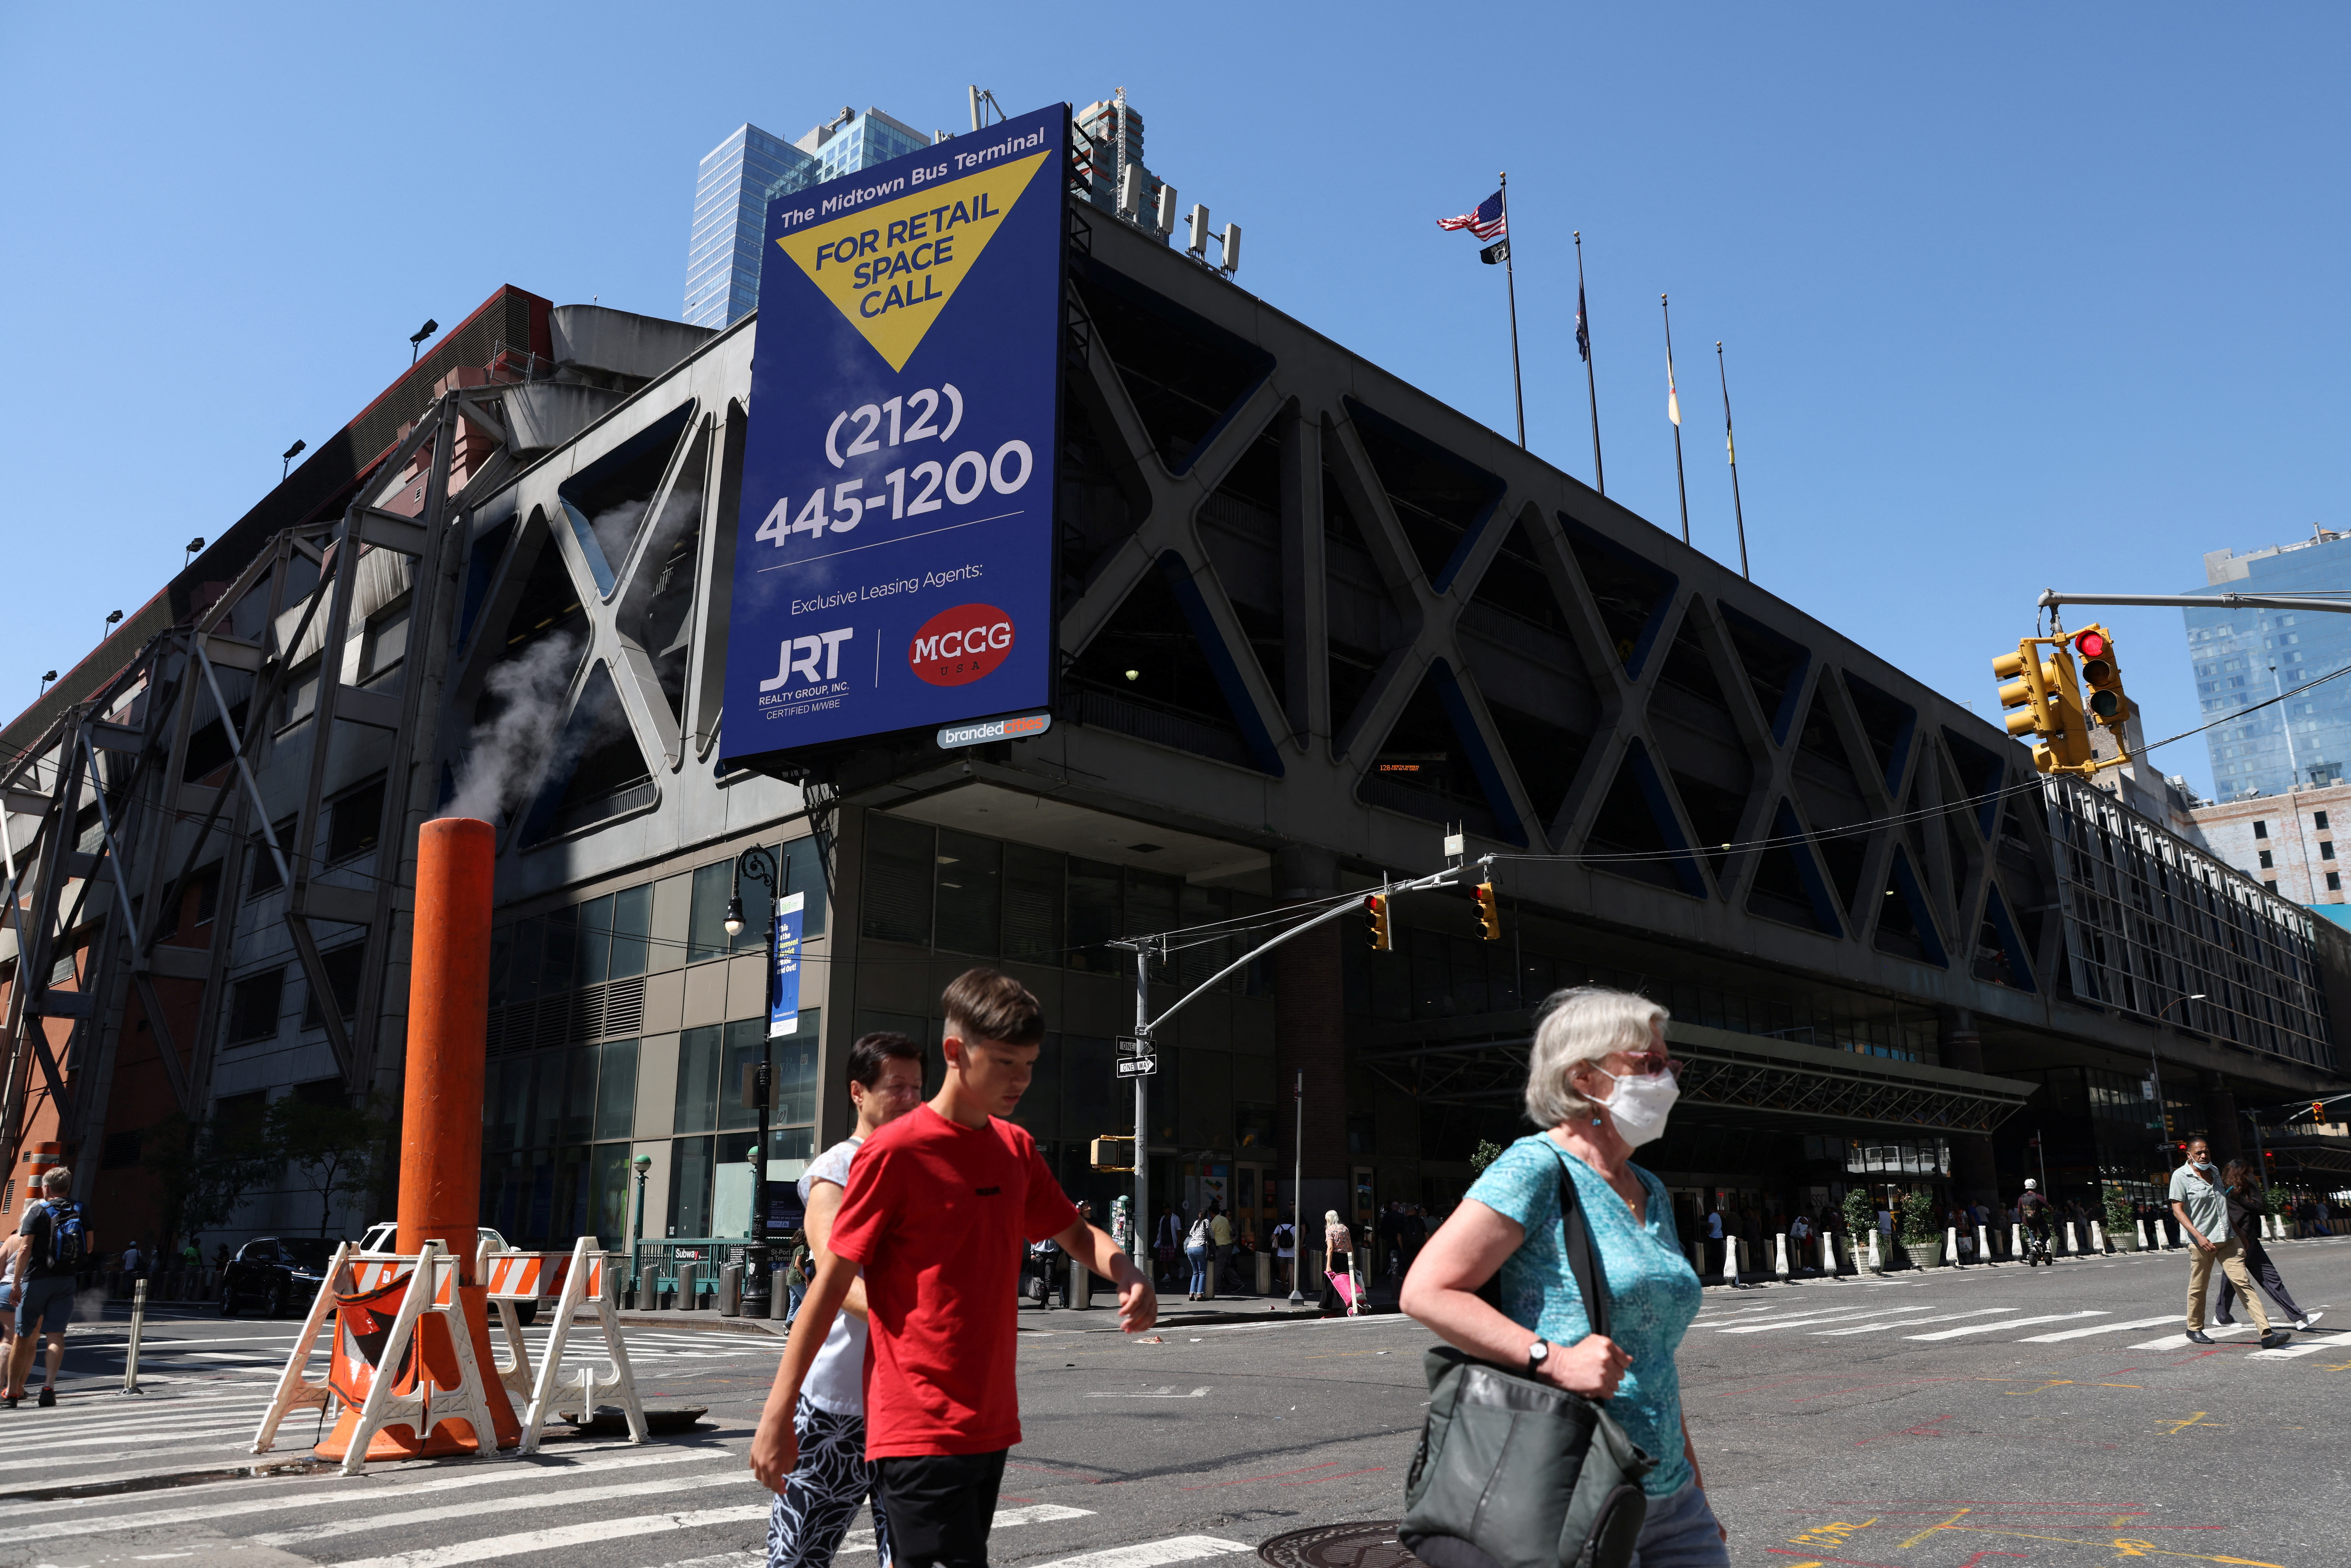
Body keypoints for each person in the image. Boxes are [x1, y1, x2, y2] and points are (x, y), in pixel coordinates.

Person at [748, 969, 1153, 1568]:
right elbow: (827, 1285)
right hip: (916, 1423)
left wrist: (1125, 1269)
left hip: (990, 1425)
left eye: (1031, 1063)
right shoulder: (895, 1152)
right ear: (955, 1052)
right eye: (1006, 1062)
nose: (1022, 1079)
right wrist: (777, 1416)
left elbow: (1070, 1230)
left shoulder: (1014, 1147)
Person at [1401, 987, 1727, 1566]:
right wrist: (1552, 1358)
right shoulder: (1535, 1167)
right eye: (1648, 1064)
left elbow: (1652, 1358)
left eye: (1669, 1064)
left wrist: (1695, 1487)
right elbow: (1426, 1290)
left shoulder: (1647, 1187)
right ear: (1584, 1078)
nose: (1667, 1080)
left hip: (1671, 1496)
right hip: (1577, 1490)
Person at [765, 1031, 925, 1568]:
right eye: (896, 1087)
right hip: (840, 1407)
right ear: (858, 1092)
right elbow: (836, 1276)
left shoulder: (928, 1166)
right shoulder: (837, 1169)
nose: (910, 1099)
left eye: (918, 1088)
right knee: (798, 1557)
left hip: (913, 1406)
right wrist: (917, 1319)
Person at [2169, 1138, 2284, 1349]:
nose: (2204, 1155)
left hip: (2228, 1239)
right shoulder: (2180, 1177)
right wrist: (2199, 1236)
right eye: (2198, 1153)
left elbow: (2221, 1207)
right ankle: (2194, 1328)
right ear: (2189, 1155)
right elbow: (2178, 1210)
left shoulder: (2214, 1172)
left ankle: (2266, 1333)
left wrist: (2239, 1232)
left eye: (2206, 1151)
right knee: (2199, 1286)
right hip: (2201, 1242)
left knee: (2242, 1283)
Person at [8, 1165, 86, 1407]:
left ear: (46, 1188)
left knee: (22, 1336)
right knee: (56, 1335)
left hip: (37, 1279)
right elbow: (89, 1246)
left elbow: (24, 1249)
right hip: (66, 1280)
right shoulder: (80, 1209)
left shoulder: (38, 1210)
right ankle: (49, 1389)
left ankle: (11, 1393)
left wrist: (16, 1283)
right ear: (67, 1187)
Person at [2211, 1160, 2318, 1334]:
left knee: (2245, 1278)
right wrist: (2253, 1182)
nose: (2252, 1177)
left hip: (2246, 1240)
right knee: (2258, 1278)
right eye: (2249, 1173)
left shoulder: (2228, 1190)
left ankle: (2223, 1315)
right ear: (2241, 1174)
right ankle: (2298, 1317)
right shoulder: (2237, 1192)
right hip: (2242, 1241)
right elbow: (2260, 1206)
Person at [1321, 1210, 1354, 1315]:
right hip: (1345, 1258)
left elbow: (1331, 1248)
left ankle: (1332, 1310)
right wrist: (1353, 1263)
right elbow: (1350, 1247)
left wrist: (1328, 1265)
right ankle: (1346, 1305)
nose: (1326, 1220)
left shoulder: (1330, 1229)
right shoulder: (1345, 1228)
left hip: (1334, 1258)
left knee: (1332, 1284)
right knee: (1346, 1283)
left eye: (1326, 1218)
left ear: (1330, 1218)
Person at [1182, 1209, 1211, 1300]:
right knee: (1202, 1272)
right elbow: (1212, 1235)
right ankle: (1200, 1295)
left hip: (1190, 1248)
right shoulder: (1206, 1222)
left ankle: (1192, 1295)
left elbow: (1191, 1233)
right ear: (1207, 1215)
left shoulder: (1196, 1222)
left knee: (1195, 1273)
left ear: (1200, 1215)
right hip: (1200, 1248)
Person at [1208, 1202, 1235, 1297]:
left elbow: (1210, 1234)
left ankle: (1216, 1288)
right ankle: (1238, 1283)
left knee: (1218, 1269)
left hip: (1222, 1247)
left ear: (1211, 1213)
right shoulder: (1225, 1219)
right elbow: (1230, 1230)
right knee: (1227, 1267)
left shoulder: (1214, 1222)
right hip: (1229, 1247)